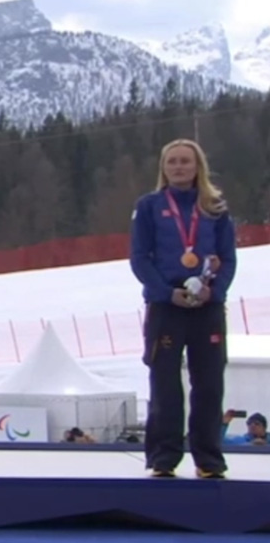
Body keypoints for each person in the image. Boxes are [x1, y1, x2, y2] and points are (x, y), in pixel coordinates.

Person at [130, 139, 236, 479]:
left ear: (197, 166)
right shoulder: (149, 206)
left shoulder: (215, 207)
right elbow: (139, 258)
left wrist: (213, 291)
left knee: (209, 385)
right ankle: (164, 459)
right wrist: (165, 293)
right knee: (165, 385)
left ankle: (209, 460)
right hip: (166, 307)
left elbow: (228, 258)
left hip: (207, 307)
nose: (178, 167)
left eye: (185, 161)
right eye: (172, 161)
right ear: (163, 167)